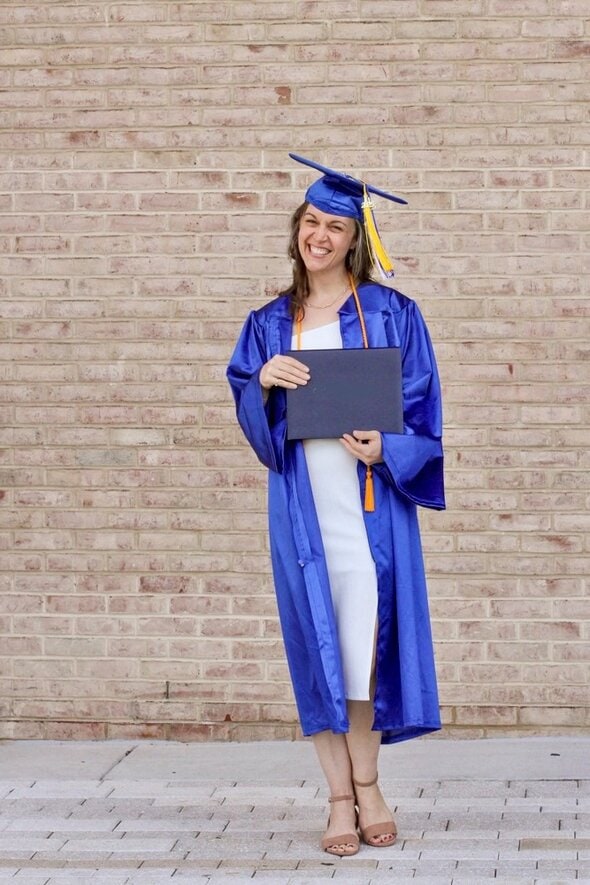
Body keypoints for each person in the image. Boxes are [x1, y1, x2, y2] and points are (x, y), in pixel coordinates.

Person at [227, 154, 445, 857]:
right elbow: (252, 414)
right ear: (297, 230)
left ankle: (371, 782)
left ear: (357, 238)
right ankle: (339, 800)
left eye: (336, 225)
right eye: (311, 221)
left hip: (370, 507)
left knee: (363, 648)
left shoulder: (392, 313)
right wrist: (262, 379)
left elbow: (422, 410)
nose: (319, 234)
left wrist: (388, 449)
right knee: (319, 648)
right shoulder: (268, 323)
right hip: (303, 509)